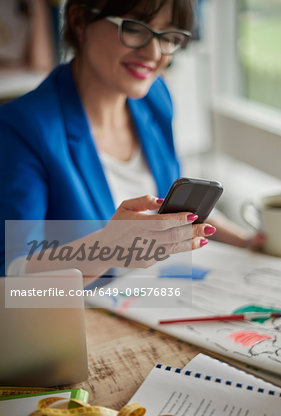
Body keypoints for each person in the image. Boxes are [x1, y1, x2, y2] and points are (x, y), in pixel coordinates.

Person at [0, 0, 262, 283]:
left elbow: (172, 216)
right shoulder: (21, 128)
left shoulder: (154, 98)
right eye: (135, 29)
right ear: (79, 20)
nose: (153, 53)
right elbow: (13, 277)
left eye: (169, 37)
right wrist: (107, 249)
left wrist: (249, 242)